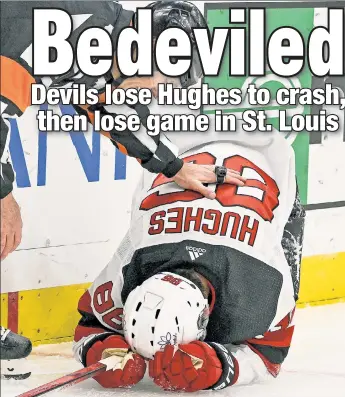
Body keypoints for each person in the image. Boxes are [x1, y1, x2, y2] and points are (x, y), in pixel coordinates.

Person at [0, 0, 244, 379]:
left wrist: (175, 167)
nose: (159, 92)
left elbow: (115, 110)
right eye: (163, 79)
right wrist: (3, 198)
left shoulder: (103, 50)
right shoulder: (51, 32)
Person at [73, 130, 306, 391]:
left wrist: (220, 367)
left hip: (267, 156)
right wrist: (98, 349)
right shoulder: (130, 267)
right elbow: (90, 325)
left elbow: (270, 358)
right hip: (181, 151)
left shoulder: (262, 280)